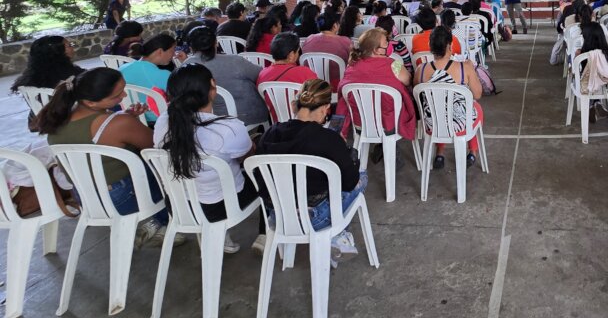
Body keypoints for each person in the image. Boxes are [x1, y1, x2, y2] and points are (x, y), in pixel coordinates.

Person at [37, 68, 173, 246]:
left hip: (85, 197)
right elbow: (157, 147)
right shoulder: (118, 123)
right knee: (163, 165)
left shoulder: (56, 120)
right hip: (122, 197)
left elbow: (98, 136)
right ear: (91, 102)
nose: (124, 95)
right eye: (117, 95)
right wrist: (129, 122)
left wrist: (124, 119)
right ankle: (160, 222)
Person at [153, 65, 260, 254]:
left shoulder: (163, 121)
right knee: (266, 174)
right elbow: (247, 159)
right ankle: (266, 235)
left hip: (178, 205)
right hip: (219, 207)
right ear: (213, 86)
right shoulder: (228, 127)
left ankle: (217, 235)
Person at [257, 78, 367, 259]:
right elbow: (349, 183)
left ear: (295, 105)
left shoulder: (269, 133)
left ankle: (336, 237)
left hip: (278, 215)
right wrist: (341, 149)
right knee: (361, 176)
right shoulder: (328, 139)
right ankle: (336, 236)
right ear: (324, 109)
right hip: (315, 217)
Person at [414, 26, 484, 169]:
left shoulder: (421, 70)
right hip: (460, 125)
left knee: (438, 108)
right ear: (450, 45)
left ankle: (439, 153)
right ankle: (472, 151)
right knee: (475, 107)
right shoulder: (465, 67)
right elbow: (477, 94)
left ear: (430, 46)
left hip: (432, 125)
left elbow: (418, 95)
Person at [336, 29, 416, 148]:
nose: (388, 45)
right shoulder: (393, 64)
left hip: (360, 120)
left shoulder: (352, 65)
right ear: (376, 50)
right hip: (389, 121)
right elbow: (408, 80)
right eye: (385, 43)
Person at [184, 26, 269, 127]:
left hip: (208, 119)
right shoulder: (235, 61)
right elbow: (262, 75)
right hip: (247, 116)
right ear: (216, 42)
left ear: (191, 47)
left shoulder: (187, 66)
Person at [120, 33, 177, 122]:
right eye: (173, 50)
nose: (174, 54)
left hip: (132, 119)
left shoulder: (122, 68)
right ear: (160, 51)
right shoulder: (164, 75)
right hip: (159, 121)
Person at [12, 35, 83, 91]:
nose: (73, 47)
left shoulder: (32, 75)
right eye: (69, 45)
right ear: (58, 52)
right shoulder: (69, 74)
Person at [300, 9, 352, 85]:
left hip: (313, 84)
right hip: (337, 84)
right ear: (335, 25)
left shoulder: (309, 39)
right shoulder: (345, 41)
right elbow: (352, 62)